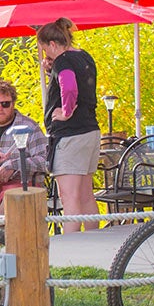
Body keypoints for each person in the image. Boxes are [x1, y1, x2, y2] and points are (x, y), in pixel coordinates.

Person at [37, 18, 102, 232]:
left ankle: (71, 246)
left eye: (45, 50)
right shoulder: (84, 56)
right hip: (90, 131)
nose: (45, 56)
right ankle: (93, 239)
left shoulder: (63, 61)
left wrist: (66, 112)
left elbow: (70, 86)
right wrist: (51, 70)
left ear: (53, 45)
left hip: (71, 136)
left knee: (69, 195)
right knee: (85, 194)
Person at [0, 80, 48, 212]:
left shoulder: (29, 127)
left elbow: (46, 161)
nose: (0, 108)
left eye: (5, 104)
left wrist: (15, 165)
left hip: (21, 184)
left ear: (13, 103)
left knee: (10, 205)